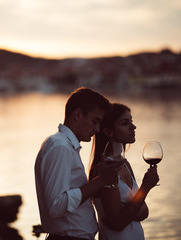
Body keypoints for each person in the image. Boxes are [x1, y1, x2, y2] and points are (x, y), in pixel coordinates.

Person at [34, 87, 121, 240]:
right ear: (78, 114)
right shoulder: (60, 147)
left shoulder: (64, 146)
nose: (97, 129)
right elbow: (56, 205)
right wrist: (100, 181)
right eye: (95, 121)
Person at [89, 103, 159, 240]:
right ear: (108, 132)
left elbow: (144, 212)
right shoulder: (104, 169)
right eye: (124, 123)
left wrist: (126, 211)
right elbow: (119, 224)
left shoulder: (124, 164)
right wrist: (145, 187)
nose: (133, 127)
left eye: (131, 122)